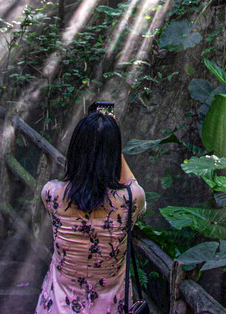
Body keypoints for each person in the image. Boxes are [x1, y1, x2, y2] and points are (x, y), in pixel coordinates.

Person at [36, 111, 146, 313]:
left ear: (75, 150)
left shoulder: (51, 193)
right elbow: (132, 184)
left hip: (59, 305)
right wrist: (112, 146)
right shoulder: (131, 198)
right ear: (114, 154)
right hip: (110, 306)